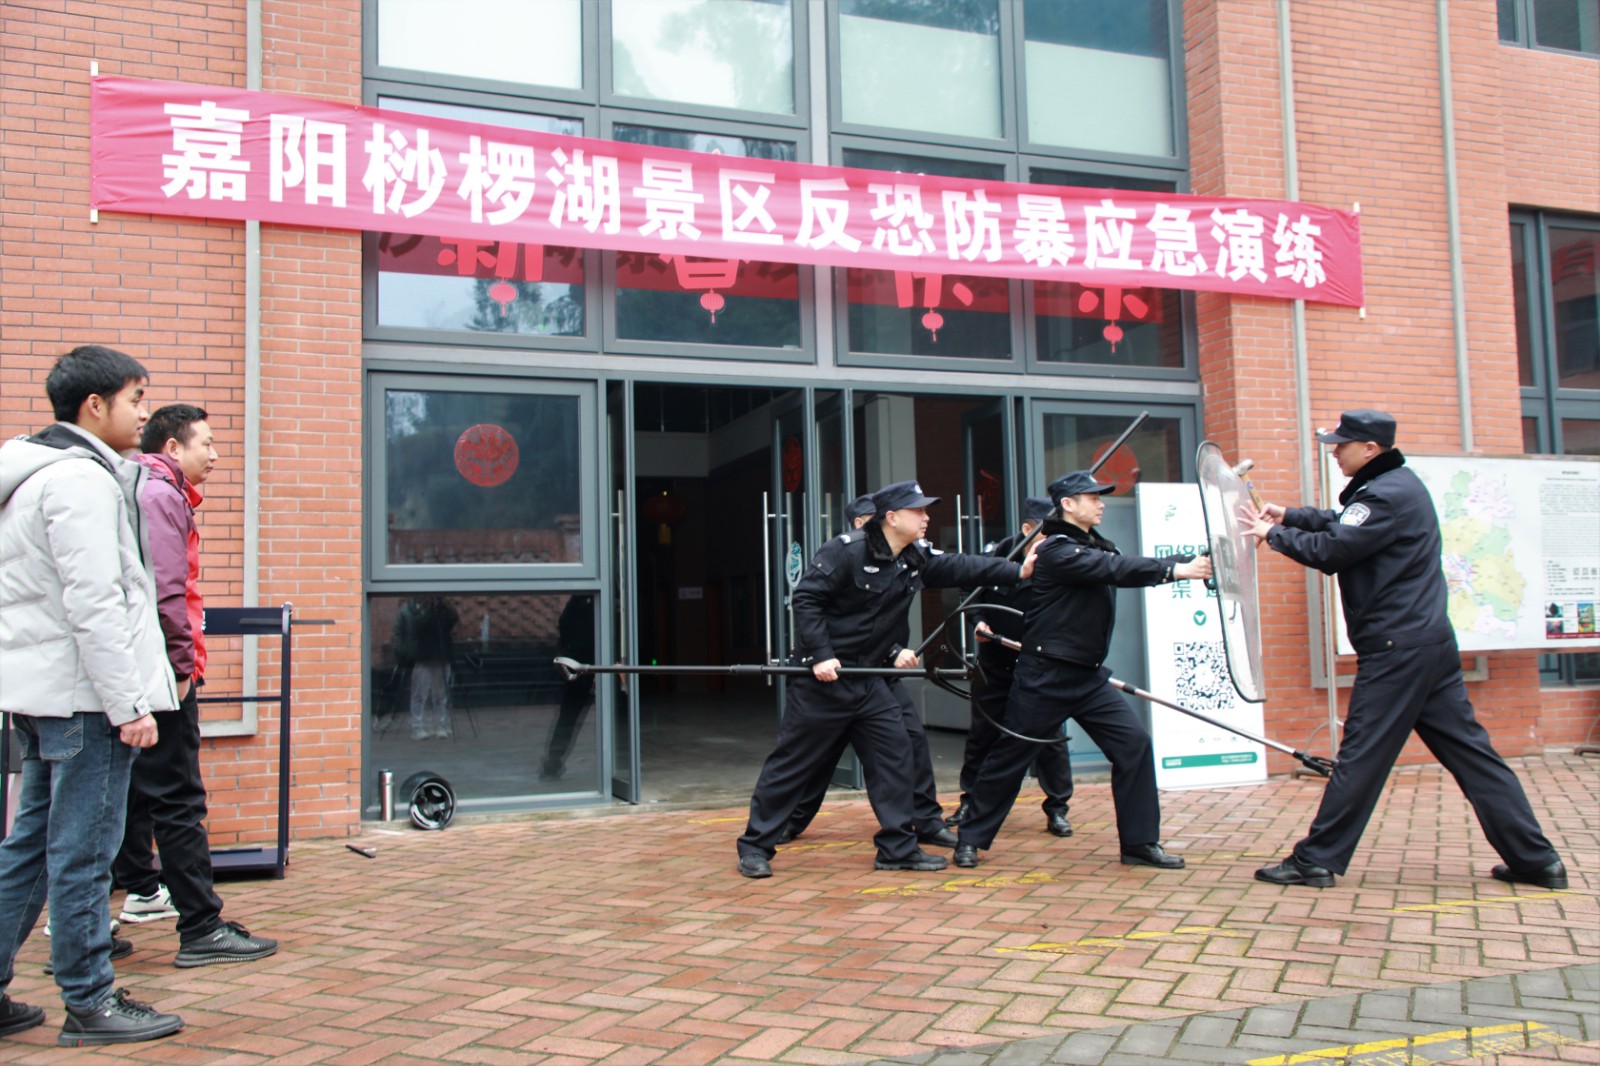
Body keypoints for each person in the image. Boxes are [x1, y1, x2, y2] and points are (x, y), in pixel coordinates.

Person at [1242, 409, 1566, 889]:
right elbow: (1342, 523)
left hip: (1396, 650)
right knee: (1474, 758)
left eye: (1342, 444)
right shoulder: (1395, 486)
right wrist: (1288, 515)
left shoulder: (1385, 494)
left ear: (1370, 449)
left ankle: (1316, 859)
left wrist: (1274, 535)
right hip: (1427, 643)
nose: (1335, 451)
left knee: (1361, 755)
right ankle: (1537, 861)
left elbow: (1333, 550)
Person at [0, 345, 185, 1046]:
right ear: (94, 405)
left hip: (46, 695)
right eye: (136, 399)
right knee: (84, 853)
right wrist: (128, 703)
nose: (144, 413)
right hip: (86, 698)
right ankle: (90, 1001)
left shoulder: (32, 473)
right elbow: (97, 602)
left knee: (28, 848)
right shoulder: (80, 481)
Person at [736, 480, 1035, 878]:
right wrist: (822, 655)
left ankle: (897, 848)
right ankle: (755, 847)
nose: (926, 517)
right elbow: (807, 600)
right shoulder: (845, 550)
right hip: (824, 682)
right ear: (891, 518)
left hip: (871, 679)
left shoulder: (914, 557)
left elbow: (960, 566)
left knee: (896, 758)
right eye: (918, 510)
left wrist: (1017, 570)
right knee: (792, 765)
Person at [952, 470, 1211, 871]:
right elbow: (1115, 570)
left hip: (1088, 677)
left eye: (1100, 497)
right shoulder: (1056, 549)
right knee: (1010, 758)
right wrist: (1176, 572)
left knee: (1134, 745)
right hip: (1044, 676)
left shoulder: (1096, 546)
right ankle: (970, 838)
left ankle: (1140, 843)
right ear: (1068, 505)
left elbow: (1121, 564)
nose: (1101, 503)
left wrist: (1185, 563)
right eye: (1092, 498)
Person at [111, 404, 278, 966]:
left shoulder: (134, 488)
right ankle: (202, 928)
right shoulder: (161, 496)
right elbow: (168, 592)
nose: (215, 454)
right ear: (172, 448)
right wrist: (182, 668)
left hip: (133, 669)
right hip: (160, 673)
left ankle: (135, 892)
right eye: (205, 443)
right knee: (180, 796)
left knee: (132, 791)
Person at [946, 496, 1075, 838]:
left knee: (1049, 738)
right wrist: (978, 620)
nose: (1054, 540)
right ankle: (970, 801)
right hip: (995, 663)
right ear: (1027, 528)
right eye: (1046, 533)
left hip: (1041, 666)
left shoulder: (1065, 559)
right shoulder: (997, 555)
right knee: (983, 735)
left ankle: (1057, 808)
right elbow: (969, 588)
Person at [542, 593, 596, 780]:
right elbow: (565, 621)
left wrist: (569, 649)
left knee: (568, 717)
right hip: (588, 662)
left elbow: (564, 621)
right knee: (569, 715)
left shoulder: (581, 598)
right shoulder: (592, 595)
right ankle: (553, 761)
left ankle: (553, 761)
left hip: (580, 661)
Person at [395, 596, 459, 740]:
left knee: (440, 695)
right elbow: (419, 625)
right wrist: (430, 610)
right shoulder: (418, 612)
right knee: (419, 694)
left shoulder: (443, 614)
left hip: (442, 658)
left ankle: (441, 725)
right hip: (424, 659)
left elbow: (454, 619)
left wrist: (445, 605)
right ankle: (417, 727)